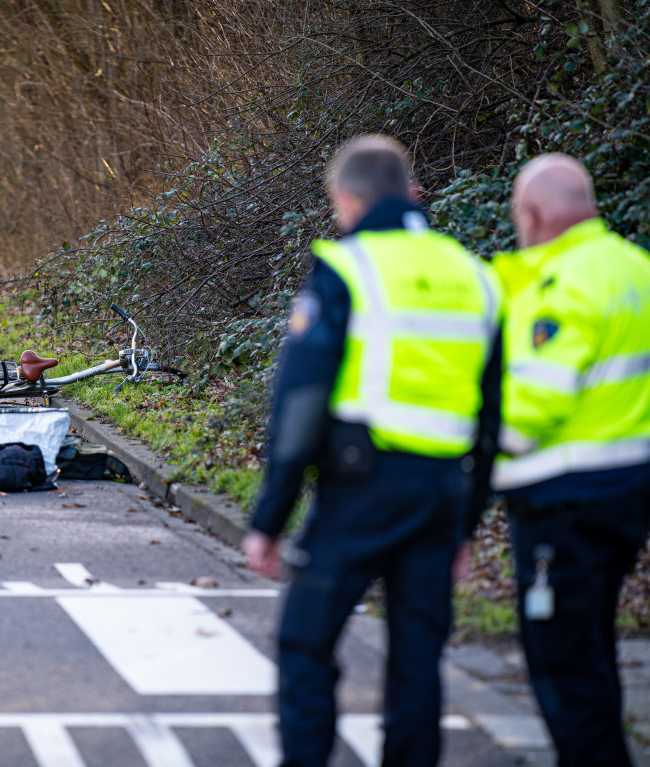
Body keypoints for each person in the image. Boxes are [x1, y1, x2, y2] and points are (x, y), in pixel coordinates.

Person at [242, 134, 502, 766]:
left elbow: (300, 402)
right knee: (417, 654)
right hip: (442, 491)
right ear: (410, 193)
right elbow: (494, 421)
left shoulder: (347, 267)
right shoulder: (475, 275)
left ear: (346, 200)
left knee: (307, 641)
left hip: (360, 489)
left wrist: (270, 518)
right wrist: (467, 525)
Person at [492, 154, 650, 767]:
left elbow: (532, 407)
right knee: (594, 642)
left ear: (531, 214)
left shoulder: (558, 284)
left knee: (562, 659)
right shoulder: (634, 267)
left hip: (564, 501)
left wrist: (472, 452)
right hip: (628, 489)